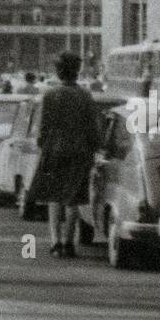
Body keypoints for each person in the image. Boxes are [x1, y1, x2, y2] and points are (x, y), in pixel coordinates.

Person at [26, 52, 100, 257]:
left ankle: (55, 242)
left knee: (54, 197)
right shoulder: (85, 96)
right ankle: (69, 242)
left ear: (59, 71)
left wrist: (44, 146)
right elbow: (93, 129)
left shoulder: (50, 95)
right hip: (79, 152)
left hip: (55, 150)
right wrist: (93, 149)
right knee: (73, 198)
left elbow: (43, 129)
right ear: (77, 72)